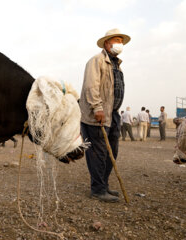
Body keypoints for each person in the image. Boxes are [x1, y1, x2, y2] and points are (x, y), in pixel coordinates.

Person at [80, 28, 130, 203]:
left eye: (121, 41)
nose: (119, 44)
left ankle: (104, 185)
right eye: (116, 40)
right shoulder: (96, 61)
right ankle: (98, 189)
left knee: (112, 152)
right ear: (107, 43)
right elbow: (90, 86)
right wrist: (97, 108)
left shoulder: (117, 65)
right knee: (98, 152)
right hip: (97, 114)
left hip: (113, 114)